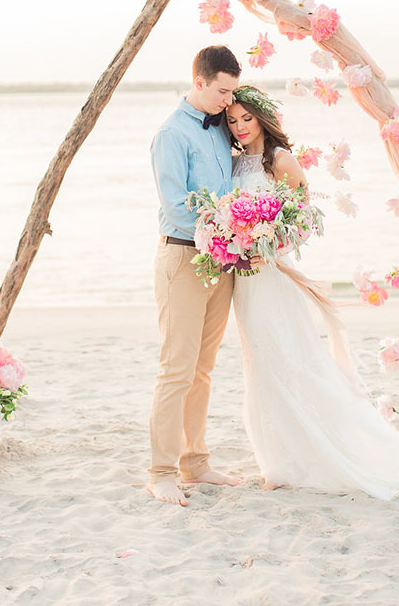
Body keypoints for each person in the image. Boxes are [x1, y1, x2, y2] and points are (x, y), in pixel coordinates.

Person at [226, 85, 399, 515]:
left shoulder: (281, 161)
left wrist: (268, 242)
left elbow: (302, 224)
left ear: (262, 118)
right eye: (232, 121)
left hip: (272, 276)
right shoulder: (234, 162)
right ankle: (279, 463)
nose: (240, 127)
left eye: (246, 119)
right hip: (245, 280)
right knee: (259, 365)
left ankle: (305, 459)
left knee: (288, 361)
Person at [147, 45, 243, 506]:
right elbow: (176, 205)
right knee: (176, 370)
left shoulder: (223, 128)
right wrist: (231, 227)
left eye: (233, 92)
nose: (228, 100)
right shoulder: (171, 134)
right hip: (183, 259)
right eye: (222, 91)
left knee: (203, 371)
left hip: (223, 263)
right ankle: (161, 471)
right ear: (199, 81)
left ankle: (196, 463)